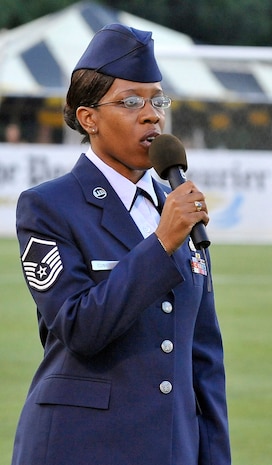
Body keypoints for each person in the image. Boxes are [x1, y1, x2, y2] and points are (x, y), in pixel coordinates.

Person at [11, 24, 231, 465]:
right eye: (131, 102)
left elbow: (202, 357)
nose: (152, 114)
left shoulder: (177, 205)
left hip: (171, 450)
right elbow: (79, 328)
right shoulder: (47, 207)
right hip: (78, 447)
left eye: (157, 100)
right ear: (89, 118)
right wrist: (161, 243)